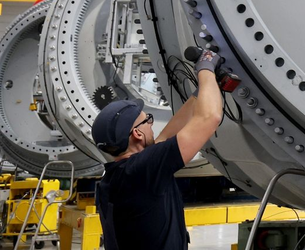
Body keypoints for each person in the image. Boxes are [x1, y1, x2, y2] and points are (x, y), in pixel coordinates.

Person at [91, 48, 224, 250]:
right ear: (137, 134)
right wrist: (206, 66)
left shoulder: (118, 176)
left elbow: (168, 136)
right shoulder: (142, 170)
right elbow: (209, 118)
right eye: (147, 121)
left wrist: (206, 88)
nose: (152, 125)